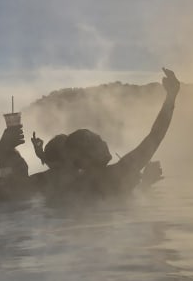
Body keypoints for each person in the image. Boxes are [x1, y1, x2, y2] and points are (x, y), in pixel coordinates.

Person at [39, 68, 181, 199]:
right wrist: (171, 96)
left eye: (100, 140)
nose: (104, 143)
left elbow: (116, 199)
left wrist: (145, 183)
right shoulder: (111, 176)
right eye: (96, 143)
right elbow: (155, 136)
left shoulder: (80, 185)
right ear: (84, 158)